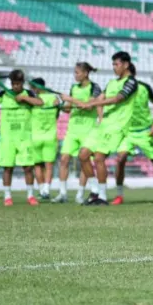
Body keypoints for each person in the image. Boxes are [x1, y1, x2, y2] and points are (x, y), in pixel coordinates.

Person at [74, 52, 138, 206]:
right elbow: (100, 99)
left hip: (116, 127)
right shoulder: (110, 83)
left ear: (126, 65)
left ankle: (101, 196)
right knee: (82, 155)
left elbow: (118, 99)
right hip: (102, 125)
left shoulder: (131, 82)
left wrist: (92, 104)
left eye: (116, 64)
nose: (114, 67)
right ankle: (95, 190)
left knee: (98, 158)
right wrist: (87, 103)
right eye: (113, 64)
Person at [113, 65, 153, 205]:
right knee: (120, 158)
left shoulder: (144, 87)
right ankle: (119, 195)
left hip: (145, 131)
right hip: (127, 132)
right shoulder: (118, 88)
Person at [54, 62, 101, 204]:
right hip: (72, 131)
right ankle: (62, 193)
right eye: (74, 72)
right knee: (63, 160)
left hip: (89, 131)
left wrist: (70, 99)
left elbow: (88, 106)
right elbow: (69, 109)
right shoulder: (73, 88)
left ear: (86, 73)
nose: (75, 75)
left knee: (83, 162)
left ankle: (80, 194)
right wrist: (61, 105)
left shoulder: (95, 88)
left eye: (77, 72)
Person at [0, 70, 44, 206]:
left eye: (18, 84)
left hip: (24, 137)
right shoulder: (5, 93)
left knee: (28, 168)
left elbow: (40, 102)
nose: (15, 86)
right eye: (13, 84)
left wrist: (24, 99)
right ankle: (7, 197)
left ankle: (30, 196)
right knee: (7, 168)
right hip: (7, 137)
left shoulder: (28, 93)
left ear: (22, 83)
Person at [30, 77, 61, 200]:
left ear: (37, 87)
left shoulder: (33, 100)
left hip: (35, 136)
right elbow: (57, 116)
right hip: (50, 136)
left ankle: (42, 190)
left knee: (37, 165)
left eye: (33, 87)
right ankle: (46, 190)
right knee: (49, 165)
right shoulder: (54, 99)